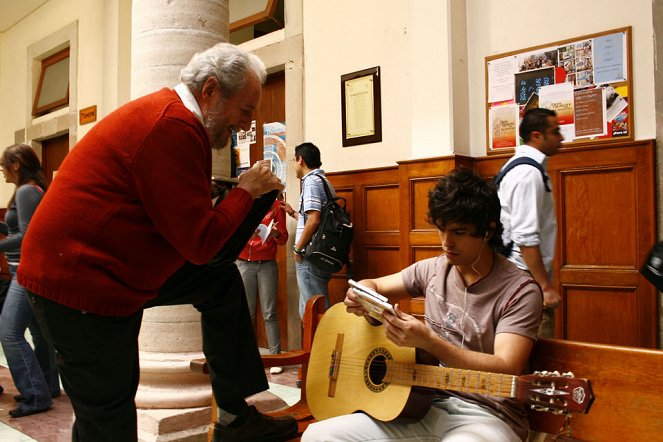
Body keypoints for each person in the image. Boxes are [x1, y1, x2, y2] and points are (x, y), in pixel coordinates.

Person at [17, 43, 296, 442]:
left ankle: (235, 417)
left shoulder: (178, 123)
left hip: (112, 270)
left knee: (218, 281)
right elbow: (201, 244)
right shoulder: (172, 125)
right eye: (245, 110)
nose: (246, 123)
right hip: (77, 284)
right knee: (107, 417)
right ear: (211, 91)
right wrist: (246, 192)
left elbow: (195, 239)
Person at [302, 168, 543, 442]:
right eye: (441, 228)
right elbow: (374, 285)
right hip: (422, 405)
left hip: (488, 414)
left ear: (488, 230)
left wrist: (430, 341)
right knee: (318, 436)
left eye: (459, 232)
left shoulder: (520, 291)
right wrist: (364, 299)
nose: (446, 242)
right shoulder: (433, 270)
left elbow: (506, 366)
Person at [0, 144, 60, 418]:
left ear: (15, 165)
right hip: (32, 271)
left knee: (10, 333)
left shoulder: (25, 191)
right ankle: (47, 386)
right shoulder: (34, 188)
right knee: (40, 334)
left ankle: (36, 395)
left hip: (25, 271)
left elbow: (26, 237)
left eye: (3, 166)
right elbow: (21, 228)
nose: (2, 171)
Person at [496, 108, 563, 338]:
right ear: (537, 135)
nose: (561, 137)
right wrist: (544, 287)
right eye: (555, 132)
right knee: (536, 355)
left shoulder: (518, 166)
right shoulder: (527, 173)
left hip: (517, 275)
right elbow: (525, 238)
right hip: (525, 277)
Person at [236, 192, 288, 374]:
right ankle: (246, 357)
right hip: (243, 263)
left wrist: (275, 234)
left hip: (266, 264)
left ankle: (276, 358)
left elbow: (284, 239)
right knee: (247, 313)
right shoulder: (244, 203)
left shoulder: (276, 206)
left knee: (269, 313)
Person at [283, 142, 336, 318]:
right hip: (322, 252)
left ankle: (320, 345)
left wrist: (298, 248)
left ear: (301, 159)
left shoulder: (311, 182)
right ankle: (319, 345)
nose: (294, 165)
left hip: (310, 255)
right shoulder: (324, 181)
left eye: (294, 160)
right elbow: (314, 220)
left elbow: (313, 220)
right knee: (315, 306)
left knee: (313, 311)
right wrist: (293, 213)